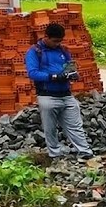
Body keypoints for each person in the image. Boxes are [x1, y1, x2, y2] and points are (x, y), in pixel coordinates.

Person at [25, 23, 94, 160]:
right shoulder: (35, 51)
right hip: (47, 96)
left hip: (66, 94)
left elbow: (70, 67)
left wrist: (72, 74)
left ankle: (85, 152)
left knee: (75, 125)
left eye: (60, 41)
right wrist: (53, 77)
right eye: (55, 41)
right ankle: (54, 154)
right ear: (46, 37)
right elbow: (33, 73)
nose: (57, 44)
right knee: (50, 128)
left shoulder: (63, 50)